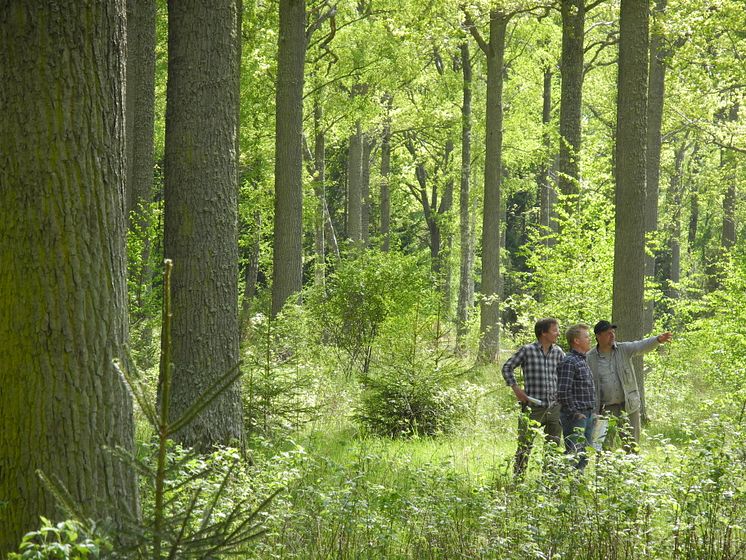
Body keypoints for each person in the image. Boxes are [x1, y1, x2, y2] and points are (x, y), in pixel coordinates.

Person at [587, 320, 673, 452]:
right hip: (603, 410)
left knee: (632, 446)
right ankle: (603, 473)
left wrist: (657, 340)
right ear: (598, 336)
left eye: (613, 332)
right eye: (608, 333)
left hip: (628, 406)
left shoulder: (623, 349)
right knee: (603, 448)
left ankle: (632, 470)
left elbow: (640, 345)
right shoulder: (589, 358)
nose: (612, 335)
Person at [502, 318, 564, 477]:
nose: (558, 333)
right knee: (524, 446)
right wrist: (516, 389)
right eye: (554, 330)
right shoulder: (527, 350)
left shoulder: (558, 352)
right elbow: (507, 367)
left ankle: (550, 483)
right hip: (532, 407)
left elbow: (565, 375)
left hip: (554, 407)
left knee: (553, 447)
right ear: (543, 333)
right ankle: (518, 481)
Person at [557, 324, 596, 470]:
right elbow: (563, 391)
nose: (589, 339)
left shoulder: (582, 360)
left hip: (588, 415)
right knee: (573, 455)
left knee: (584, 456)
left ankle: (576, 488)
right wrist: (574, 413)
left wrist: (592, 412)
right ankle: (561, 488)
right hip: (575, 417)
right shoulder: (570, 361)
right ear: (576, 341)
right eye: (586, 336)